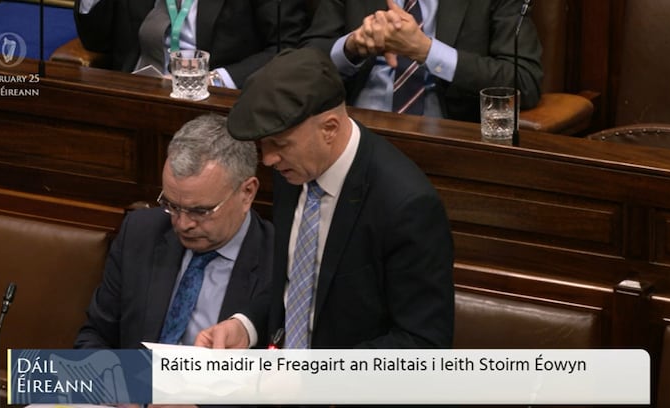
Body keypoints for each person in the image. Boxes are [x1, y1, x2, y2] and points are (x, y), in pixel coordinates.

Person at [197, 47, 454, 350]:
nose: (267, 159)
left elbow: (423, 343)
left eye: (279, 144)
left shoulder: (406, 206)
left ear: (329, 128)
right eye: (263, 144)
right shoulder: (293, 169)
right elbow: (298, 286)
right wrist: (246, 326)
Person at [75, 113, 273, 348]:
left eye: (200, 211)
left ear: (247, 193)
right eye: (172, 206)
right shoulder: (140, 233)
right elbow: (96, 335)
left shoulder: (278, 262)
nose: (182, 224)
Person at [299, 0, 544, 122]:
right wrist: (351, 46)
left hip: (445, 141)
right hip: (353, 133)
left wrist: (427, 51)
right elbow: (304, 62)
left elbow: (524, 81)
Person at [73, 0, 308, 88]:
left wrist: (215, 80)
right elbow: (97, 41)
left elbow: (285, 48)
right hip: (136, 90)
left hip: (214, 100)